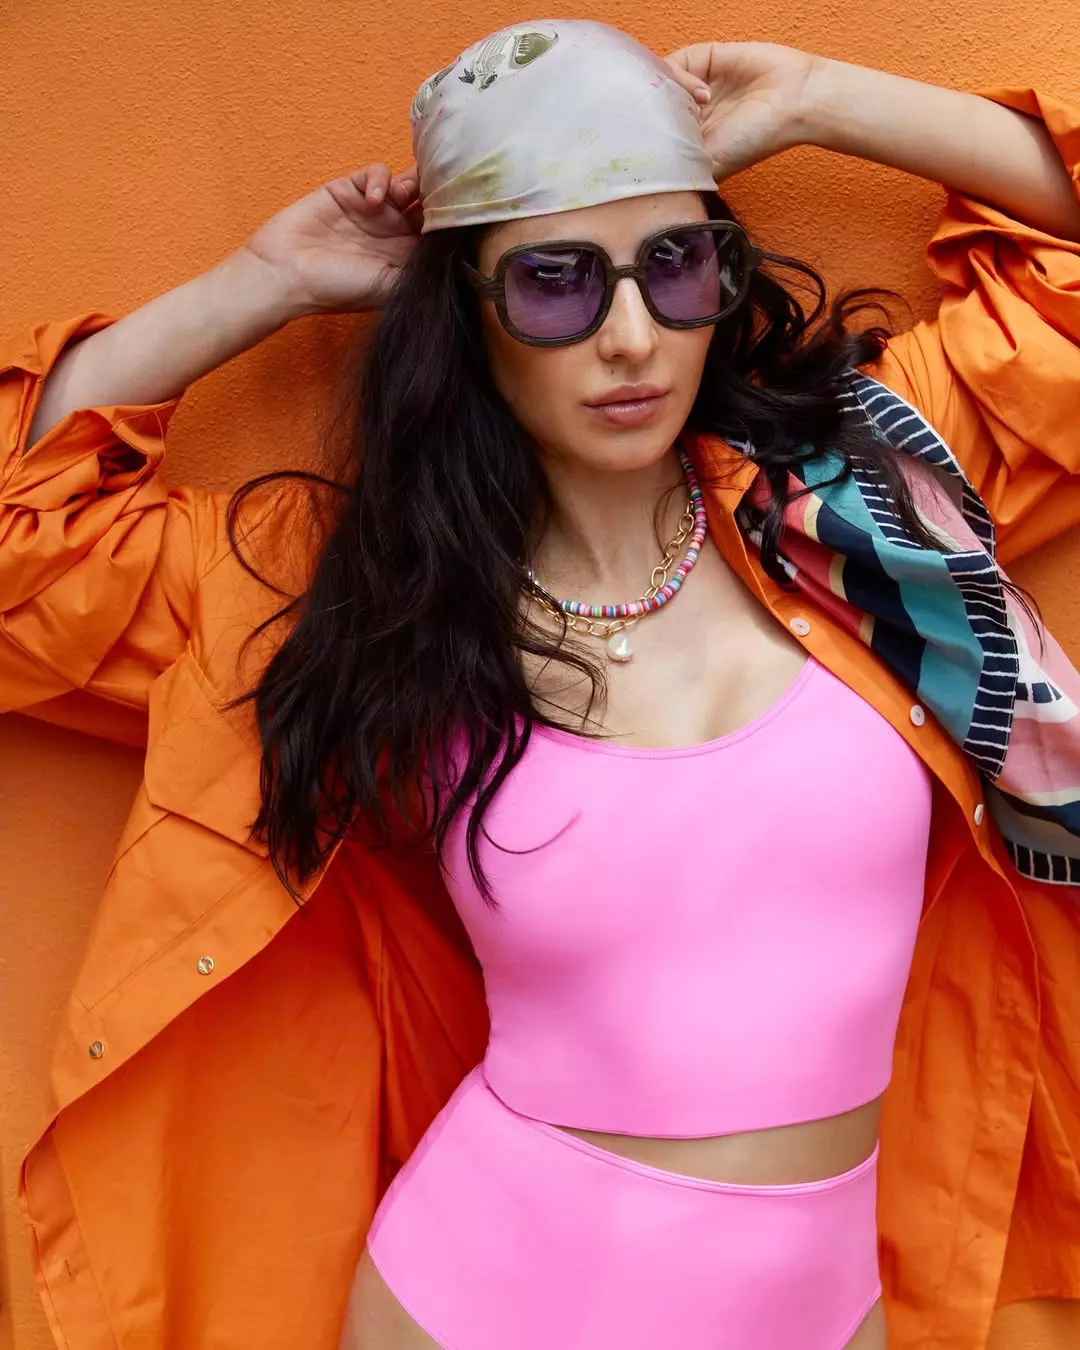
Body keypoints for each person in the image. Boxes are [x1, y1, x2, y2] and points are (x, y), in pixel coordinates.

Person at [5, 18, 1080, 1350]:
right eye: (556, 282)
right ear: (468, 312)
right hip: (493, 1298)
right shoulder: (355, 591)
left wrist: (816, 97)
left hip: (835, 1304)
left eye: (676, 264)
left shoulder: (857, 505)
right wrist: (265, 281)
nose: (631, 338)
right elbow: (17, 541)